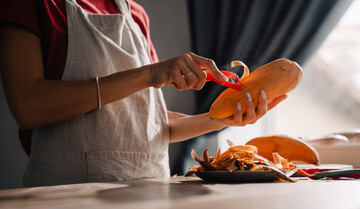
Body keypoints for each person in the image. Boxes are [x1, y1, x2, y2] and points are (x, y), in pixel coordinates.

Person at [0, 0, 286, 187]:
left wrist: (225, 118)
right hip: (66, 207)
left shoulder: (135, 15)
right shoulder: (31, 5)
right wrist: (148, 74)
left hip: (149, 198)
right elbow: (27, 105)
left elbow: (152, 122)